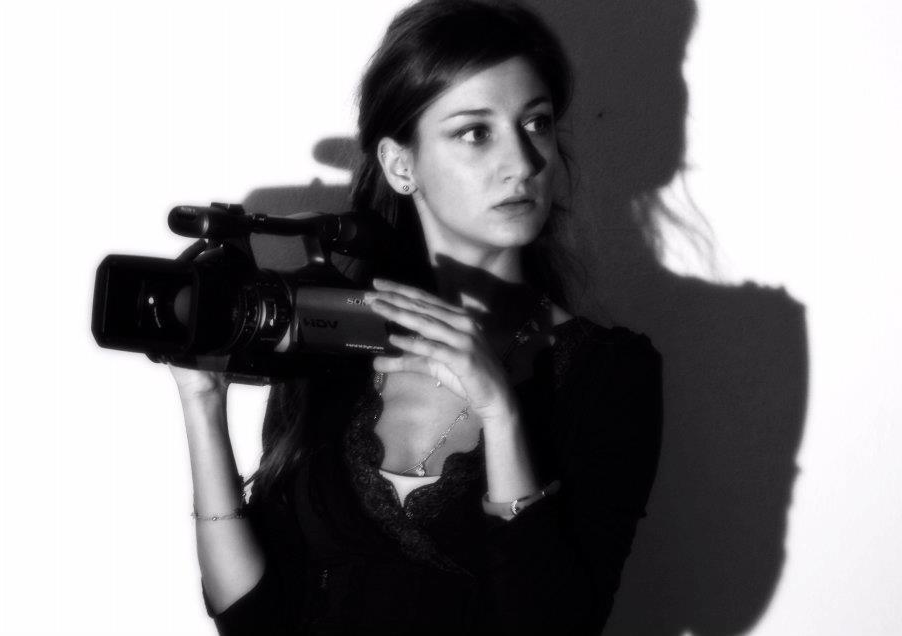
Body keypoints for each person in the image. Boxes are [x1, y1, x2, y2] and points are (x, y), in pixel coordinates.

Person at [169, 1, 662, 634]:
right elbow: (253, 621)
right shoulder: (326, 333)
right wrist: (202, 403)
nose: (523, 162)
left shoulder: (610, 373)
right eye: (475, 132)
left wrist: (500, 413)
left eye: (536, 123)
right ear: (402, 166)